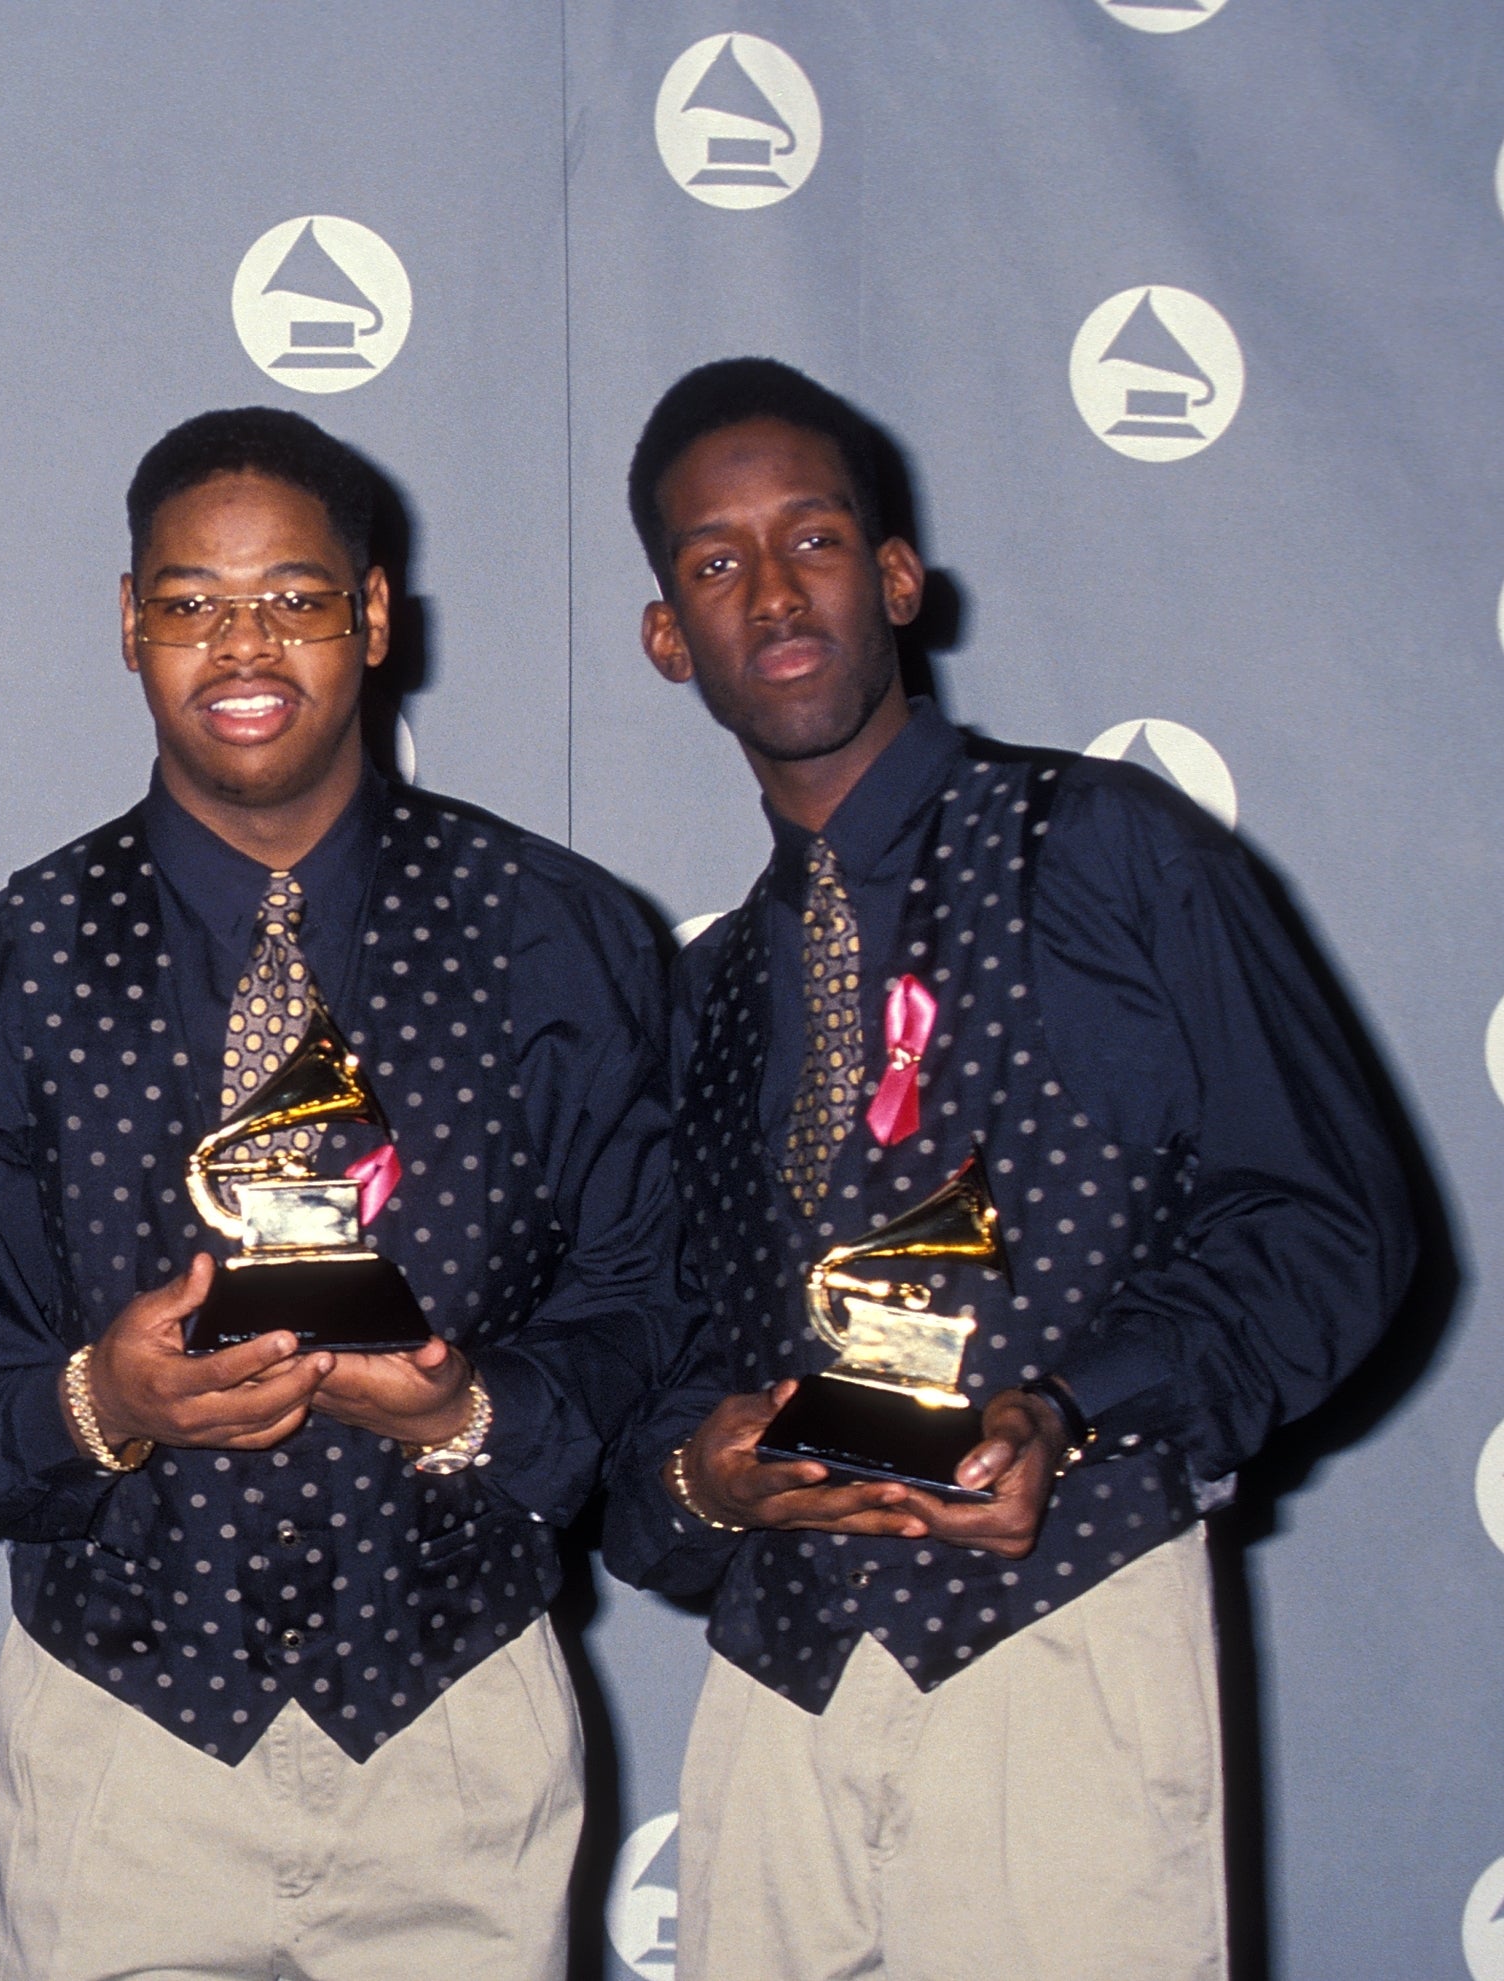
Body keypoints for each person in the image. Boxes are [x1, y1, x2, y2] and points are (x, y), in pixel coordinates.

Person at [603, 356, 1415, 1979]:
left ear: (897, 576)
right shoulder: (703, 994)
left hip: (1065, 1632)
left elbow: (1331, 1225)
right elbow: (652, 1406)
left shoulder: (1108, 846)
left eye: (814, 538)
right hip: (783, 1692)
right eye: (714, 560)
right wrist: (707, 1479)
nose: (771, 589)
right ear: (666, 635)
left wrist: (1070, 1405)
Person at [0, 406, 686, 1980]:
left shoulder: (561, 938)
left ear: (374, 616)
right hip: (122, 1742)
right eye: (189, 601)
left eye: (294, 598)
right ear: (129, 625)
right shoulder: (0, 976)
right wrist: (99, 1401)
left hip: (454, 1726)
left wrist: (468, 1413)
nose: (239, 642)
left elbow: (644, 1306)